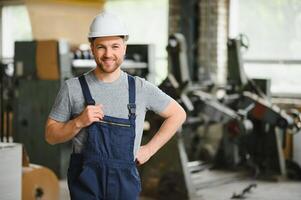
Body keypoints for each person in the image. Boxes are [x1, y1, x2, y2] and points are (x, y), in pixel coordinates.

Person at [45, 11, 186, 200]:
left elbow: (178, 114)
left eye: (115, 46)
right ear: (92, 48)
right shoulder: (73, 88)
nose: (108, 54)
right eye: (101, 47)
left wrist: (149, 150)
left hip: (124, 180)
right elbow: (50, 136)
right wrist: (78, 122)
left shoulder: (140, 88)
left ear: (124, 48)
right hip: (85, 179)